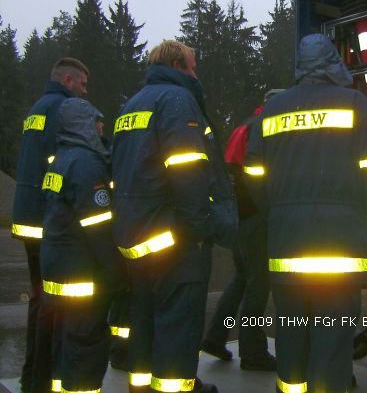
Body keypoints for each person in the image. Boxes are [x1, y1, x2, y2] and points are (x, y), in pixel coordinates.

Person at [244, 33, 367, 393]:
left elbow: (252, 174)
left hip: (285, 245)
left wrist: (277, 210)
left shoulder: (273, 110)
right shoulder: (355, 105)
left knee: (291, 334)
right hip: (340, 248)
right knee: (332, 339)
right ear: (332, 63)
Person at [112, 40, 228, 393]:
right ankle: (179, 386)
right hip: (174, 239)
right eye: (193, 67)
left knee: (144, 323)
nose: (196, 74)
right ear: (178, 66)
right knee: (177, 327)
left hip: (136, 238)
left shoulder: (131, 106)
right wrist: (203, 226)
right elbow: (187, 170)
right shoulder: (178, 101)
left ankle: (142, 386)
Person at [11, 57, 89, 393]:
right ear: (68, 80)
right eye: (83, 84)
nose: (86, 92)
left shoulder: (37, 110)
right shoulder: (63, 109)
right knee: (53, 306)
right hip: (49, 221)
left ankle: (32, 378)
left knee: (40, 302)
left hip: (28, 218)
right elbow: (72, 160)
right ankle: (43, 380)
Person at [39, 98, 124, 393]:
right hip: (82, 270)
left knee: (65, 341)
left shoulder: (61, 159)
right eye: (96, 121)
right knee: (86, 343)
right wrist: (116, 271)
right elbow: (97, 225)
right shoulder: (87, 164)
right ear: (82, 125)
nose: (101, 126)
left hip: (57, 267)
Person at [201, 89, 284, 371]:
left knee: (242, 279)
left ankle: (215, 336)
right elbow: (263, 174)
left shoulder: (244, 125)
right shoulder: (267, 128)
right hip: (256, 216)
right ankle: (252, 351)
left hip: (237, 214)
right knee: (259, 284)